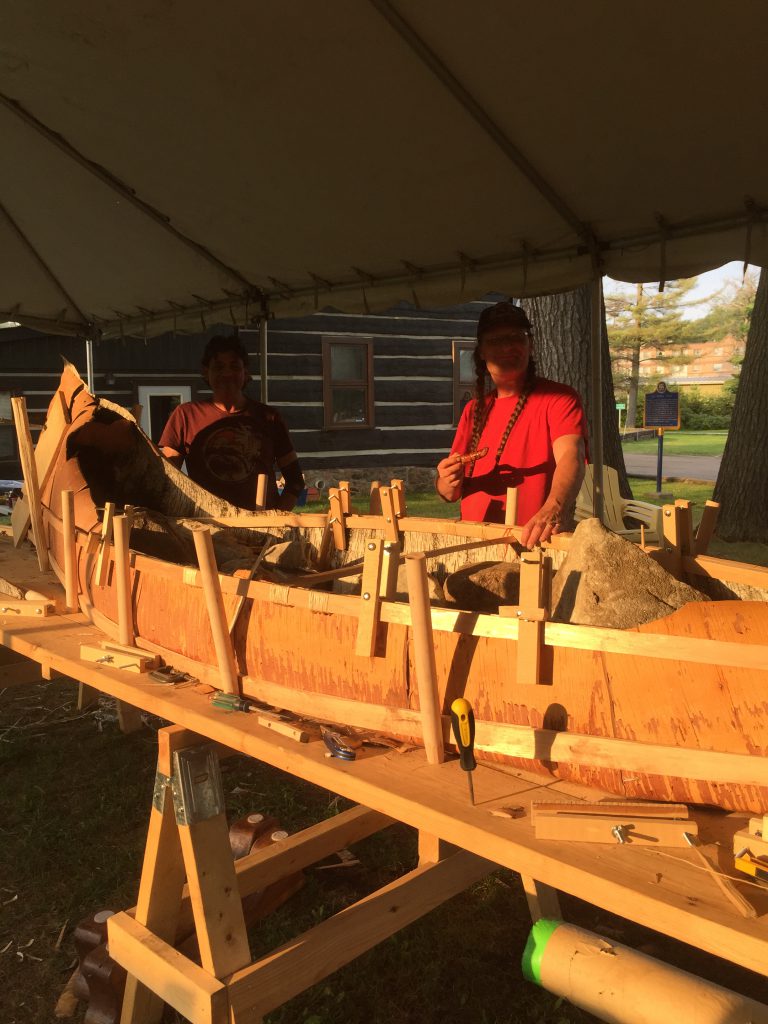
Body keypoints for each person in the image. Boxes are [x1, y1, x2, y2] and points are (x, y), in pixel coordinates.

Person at [436, 301, 587, 548]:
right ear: (481, 351)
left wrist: (553, 508)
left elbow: (572, 456)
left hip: (534, 542)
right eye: (495, 340)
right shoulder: (473, 410)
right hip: (475, 543)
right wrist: (446, 480)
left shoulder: (558, 398)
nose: (507, 347)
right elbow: (449, 494)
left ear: (530, 344)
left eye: (516, 337)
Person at [159, 335, 304, 510]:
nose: (227, 374)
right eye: (219, 367)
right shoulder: (186, 415)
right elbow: (166, 476)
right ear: (206, 372)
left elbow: (295, 480)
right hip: (208, 526)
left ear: (246, 372)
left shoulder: (269, 417)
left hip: (261, 526)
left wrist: (277, 519)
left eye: (234, 366)